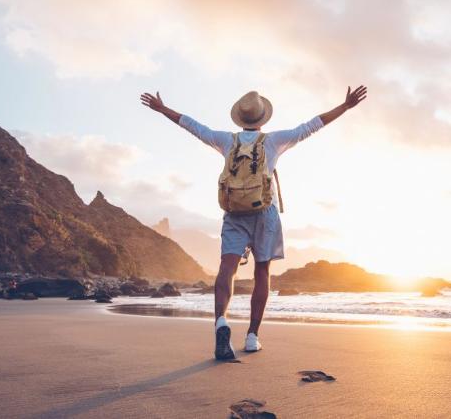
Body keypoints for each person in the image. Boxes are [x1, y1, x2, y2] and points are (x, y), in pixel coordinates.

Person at [140, 85, 367, 359]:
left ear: (240, 118)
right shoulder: (273, 141)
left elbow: (193, 126)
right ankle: (251, 337)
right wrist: (344, 107)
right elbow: (311, 126)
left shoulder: (226, 140)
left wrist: (163, 109)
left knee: (228, 268)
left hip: (234, 212)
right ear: (262, 119)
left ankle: (221, 322)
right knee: (262, 272)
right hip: (264, 212)